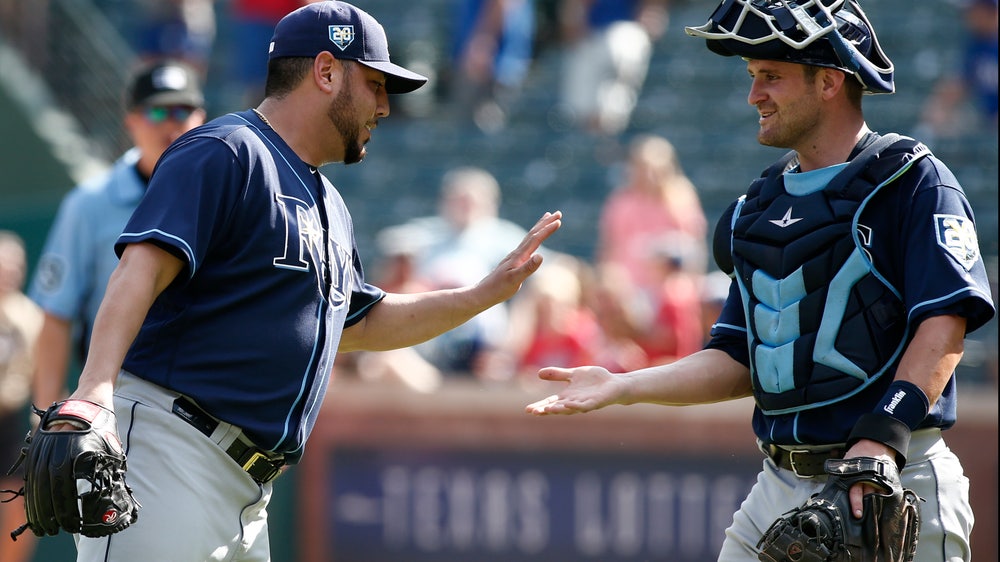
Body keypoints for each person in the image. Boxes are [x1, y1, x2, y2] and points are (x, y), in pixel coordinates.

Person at [46, 2, 560, 560]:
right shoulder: (226, 151)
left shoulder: (329, 202)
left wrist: (481, 296)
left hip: (247, 489)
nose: (385, 105)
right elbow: (139, 270)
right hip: (170, 451)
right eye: (375, 83)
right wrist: (94, 389)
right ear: (326, 71)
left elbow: (360, 324)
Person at [526, 1, 995, 560]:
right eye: (752, 76)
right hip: (778, 485)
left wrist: (882, 438)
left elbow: (945, 322)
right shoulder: (758, 205)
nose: (754, 95)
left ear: (829, 81)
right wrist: (623, 386)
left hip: (893, 475)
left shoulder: (911, 180)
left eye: (771, 75)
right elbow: (738, 357)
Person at [28, 59, 207, 412]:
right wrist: (45, 415)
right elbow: (57, 314)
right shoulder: (90, 203)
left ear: (201, 117)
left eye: (182, 111)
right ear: (131, 120)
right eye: (157, 112)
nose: (171, 123)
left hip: (201, 402)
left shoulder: (222, 197)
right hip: (115, 396)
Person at [556, 0, 669, 135]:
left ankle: (607, 132)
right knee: (582, 107)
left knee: (622, 47)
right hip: (595, 37)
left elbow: (654, 13)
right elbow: (572, 17)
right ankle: (596, 134)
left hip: (623, 33)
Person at [0, 231, 44, 562]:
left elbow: (44, 378)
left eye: (17, 265)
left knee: (21, 504)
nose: (11, 271)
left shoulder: (33, 316)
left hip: (13, 424)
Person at [918, 0, 998, 139]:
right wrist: (938, 107)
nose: (966, 16)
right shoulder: (976, 44)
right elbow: (960, 83)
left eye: (972, 11)